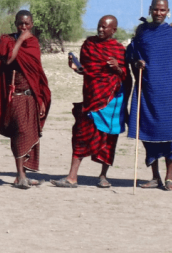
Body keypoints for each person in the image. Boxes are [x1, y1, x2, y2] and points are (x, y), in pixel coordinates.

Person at [0, 10, 52, 189]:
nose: (24, 27)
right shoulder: (7, 41)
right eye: (20, 23)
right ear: (15, 23)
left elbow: (37, 74)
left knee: (30, 133)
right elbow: (9, 60)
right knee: (19, 132)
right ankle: (20, 175)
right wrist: (19, 40)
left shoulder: (33, 43)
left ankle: (22, 175)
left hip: (32, 95)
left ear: (32, 24)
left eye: (27, 24)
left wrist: (41, 98)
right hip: (15, 96)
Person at [54, 15, 127, 188]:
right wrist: (75, 68)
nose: (101, 30)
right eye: (99, 26)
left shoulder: (118, 50)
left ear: (113, 30)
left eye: (105, 27)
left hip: (111, 100)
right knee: (81, 133)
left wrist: (117, 67)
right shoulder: (88, 45)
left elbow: (125, 75)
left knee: (109, 138)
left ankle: (103, 176)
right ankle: (72, 176)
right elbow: (87, 71)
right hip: (91, 97)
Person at [126, 0, 172, 191]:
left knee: (169, 134)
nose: (159, 13)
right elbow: (132, 53)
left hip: (170, 92)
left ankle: (169, 177)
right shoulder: (142, 32)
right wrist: (137, 63)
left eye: (163, 10)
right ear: (150, 10)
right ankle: (155, 176)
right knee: (147, 132)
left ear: (168, 11)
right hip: (148, 89)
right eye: (156, 10)